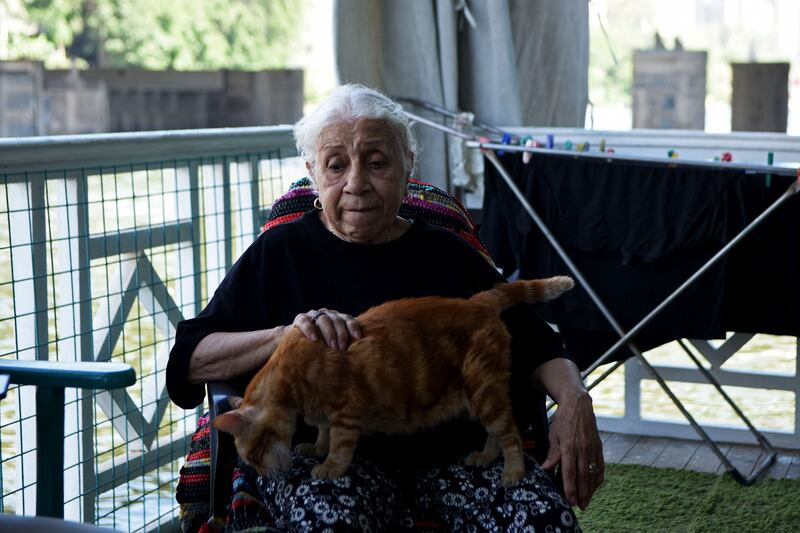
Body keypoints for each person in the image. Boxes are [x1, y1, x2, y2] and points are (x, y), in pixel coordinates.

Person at [167, 84, 603, 532]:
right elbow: (191, 356)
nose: (356, 183)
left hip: (456, 458)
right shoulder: (281, 253)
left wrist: (574, 398)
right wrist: (285, 336)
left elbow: (541, 345)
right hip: (334, 462)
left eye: (377, 163)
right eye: (336, 166)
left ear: (407, 168)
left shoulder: (447, 253)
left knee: (544, 522)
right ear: (313, 173)